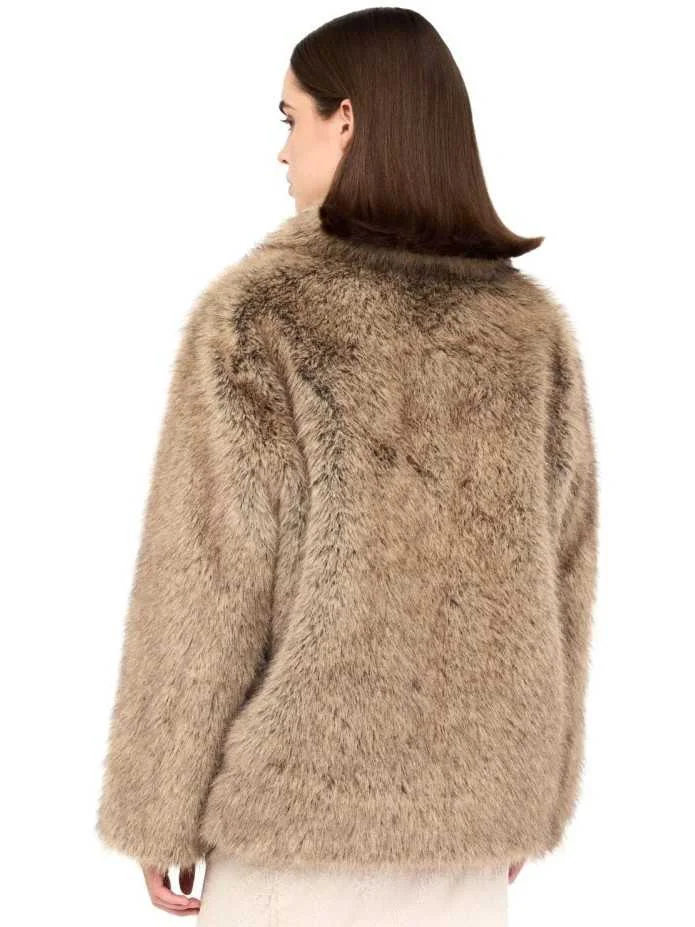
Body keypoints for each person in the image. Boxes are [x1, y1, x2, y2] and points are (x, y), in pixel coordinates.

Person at [95, 9, 599, 926]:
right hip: (469, 842)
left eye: (291, 118)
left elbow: (207, 579)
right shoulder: (530, 335)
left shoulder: (261, 315)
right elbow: (564, 572)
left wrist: (159, 805)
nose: (281, 151)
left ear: (348, 121)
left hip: (294, 831)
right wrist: (538, 790)